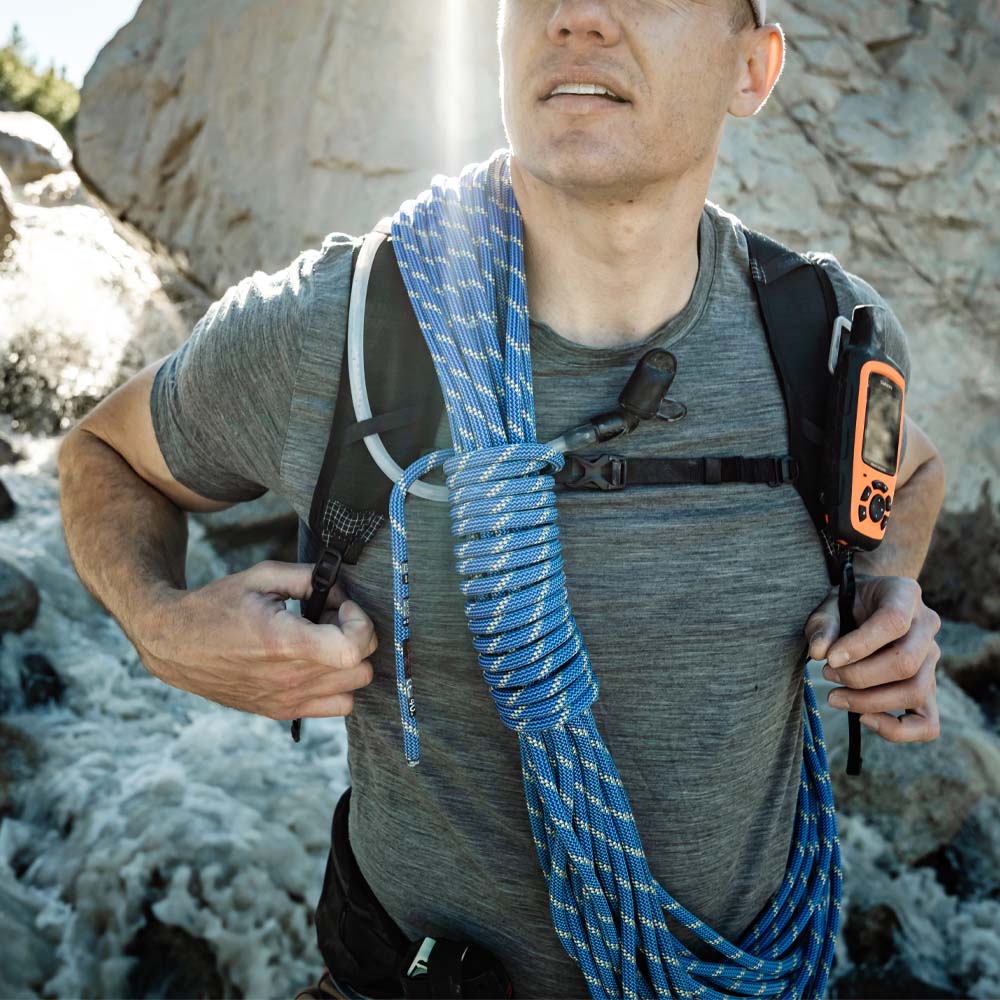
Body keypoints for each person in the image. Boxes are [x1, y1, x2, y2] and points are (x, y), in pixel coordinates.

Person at [57, 0, 947, 996]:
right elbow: (104, 453)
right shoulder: (338, 331)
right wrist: (160, 625)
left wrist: (886, 586)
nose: (576, 16)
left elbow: (910, 472)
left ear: (753, 68)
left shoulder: (827, 341)